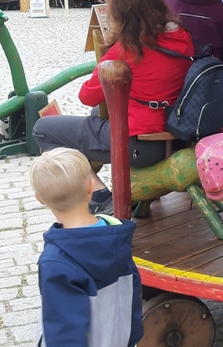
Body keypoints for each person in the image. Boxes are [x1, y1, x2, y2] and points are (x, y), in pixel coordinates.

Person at [33, 0, 194, 215]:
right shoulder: (182, 37)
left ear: (120, 11)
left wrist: (108, 51)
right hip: (175, 134)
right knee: (94, 116)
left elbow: (87, 96)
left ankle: (99, 195)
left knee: (44, 129)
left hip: (136, 142)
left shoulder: (126, 48)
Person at [29, 147, 143, 347]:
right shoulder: (116, 237)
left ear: (40, 199)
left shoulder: (56, 261)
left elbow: (64, 332)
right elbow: (132, 293)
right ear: (91, 186)